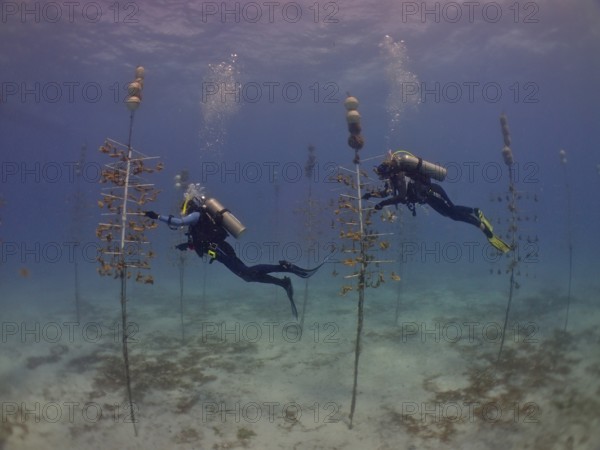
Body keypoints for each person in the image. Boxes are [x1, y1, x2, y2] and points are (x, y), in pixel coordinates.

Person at [144, 184, 325, 319]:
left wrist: (157, 216)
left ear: (189, 205)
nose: (184, 211)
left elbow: (179, 223)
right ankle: (283, 283)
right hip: (220, 251)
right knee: (246, 276)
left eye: (184, 208)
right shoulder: (197, 221)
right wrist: (187, 246)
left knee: (246, 272)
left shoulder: (196, 214)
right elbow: (201, 242)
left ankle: (286, 267)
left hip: (221, 250)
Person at [365, 150, 511, 253]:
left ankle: (484, 230)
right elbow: (386, 193)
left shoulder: (400, 176)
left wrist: (382, 204)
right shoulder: (393, 179)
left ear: (388, 171)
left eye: (383, 176)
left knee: (453, 212)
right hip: (428, 198)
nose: (383, 180)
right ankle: (474, 211)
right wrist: (370, 195)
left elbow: (401, 197)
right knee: (450, 214)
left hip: (433, 192)